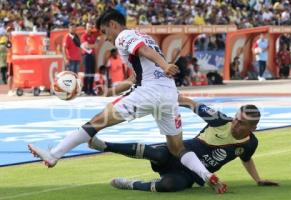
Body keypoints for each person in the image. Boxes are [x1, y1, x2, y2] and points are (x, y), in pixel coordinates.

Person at [28, 9, 224, 192]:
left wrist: (165, 65)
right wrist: (109, 90)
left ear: (113, 24)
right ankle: (207, 175)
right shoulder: (142, 36)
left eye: (105, 32)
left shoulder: (124, 35)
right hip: (169, 94)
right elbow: (134, 78)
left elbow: (144, 51)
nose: (107, 38)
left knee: (96, 122)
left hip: (149, 92)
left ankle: (54, 155)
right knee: (177, 148)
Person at [88, 95, 279, 193]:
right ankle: (104, 145)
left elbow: (246, 159)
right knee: (158, 154)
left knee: (169, 186)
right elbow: (189, 102)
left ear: (252, 128)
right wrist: (167, 96)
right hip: (178, 152)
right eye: (236, 118)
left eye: (241, 123)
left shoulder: (250, 143)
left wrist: (258, 179)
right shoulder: (220, 120)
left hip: (192, 175)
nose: (235, 123)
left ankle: (131, 184)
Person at [81, 22, 98, 95]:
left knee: (92, 73)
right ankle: (86, 89)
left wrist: (92, 45)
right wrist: (93, 45)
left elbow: (96, 45)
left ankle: (91, 89)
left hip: (92, 55)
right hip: (86, 56)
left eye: (91, 27)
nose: (90, 28)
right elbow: (87, 46)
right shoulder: (83, 36)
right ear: (86, 27)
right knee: (87, 73)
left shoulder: (93, 35)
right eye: (88, 27)